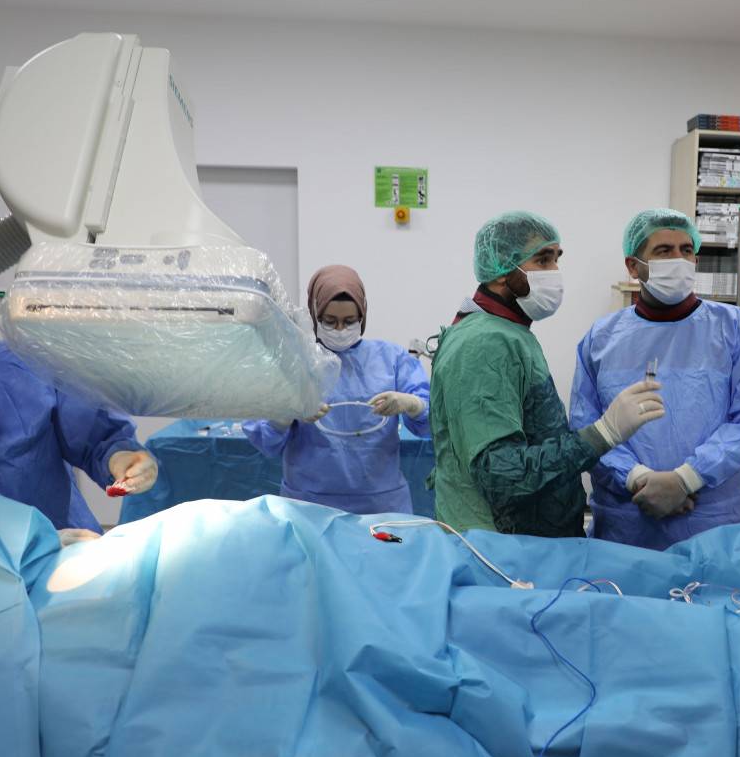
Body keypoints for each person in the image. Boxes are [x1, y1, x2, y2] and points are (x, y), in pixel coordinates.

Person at [429, 211, 666, 536]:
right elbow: (502, 475)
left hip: (521, 540)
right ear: (501, 271)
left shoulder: (507, 332)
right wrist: (603, 433)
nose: (554, 272)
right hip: (499, 547)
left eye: (556, 259)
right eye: (542, 260)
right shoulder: (485, 344)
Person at [570, 209, 740, 550]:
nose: (678, 259)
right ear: (633, 266)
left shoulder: (734, 328)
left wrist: (687, 478)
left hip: (714, 523)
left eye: (686, 250)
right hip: (629, 525)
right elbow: (585, 427)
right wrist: (636, 477)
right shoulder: (601, 338)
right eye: (663, 251)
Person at [244, 265, 431, 515]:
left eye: (349, 321)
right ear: (314, 315)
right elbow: (264, 439)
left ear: (362, 316)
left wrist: (412, 404)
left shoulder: (391, 359)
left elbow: (431, 423)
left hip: (380, 506)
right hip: (308, 506)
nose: (340, 330)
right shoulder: (293, 360)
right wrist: (287, 414)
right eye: (330, 321)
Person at [0, 340, 157, 545]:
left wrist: (119, 456)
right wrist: (18, 550)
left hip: (72, 545)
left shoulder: (24, 366)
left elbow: (92, 429)